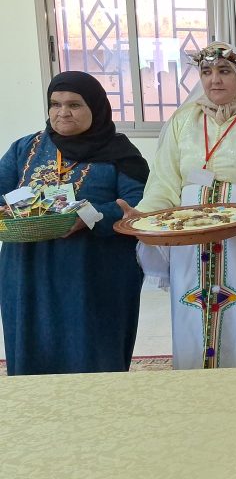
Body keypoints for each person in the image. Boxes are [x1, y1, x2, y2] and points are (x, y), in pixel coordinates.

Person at [122, 42, 236, 369]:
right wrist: (146, 215)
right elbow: (165, 181)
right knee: (193, 318)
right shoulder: (183, 121)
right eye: (206, 72)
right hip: (191, 245)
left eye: (224, 71)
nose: (214, 80)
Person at [0, 71, 148, 375]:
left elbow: (138, 204)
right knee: (34, 345)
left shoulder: (121, 154)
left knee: (92, 348)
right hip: (27, 270)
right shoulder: (25, 149)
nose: (63, 112)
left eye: (74, 105)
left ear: (96, 107)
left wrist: (89, 216)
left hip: (92, 270)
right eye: (55, 104)